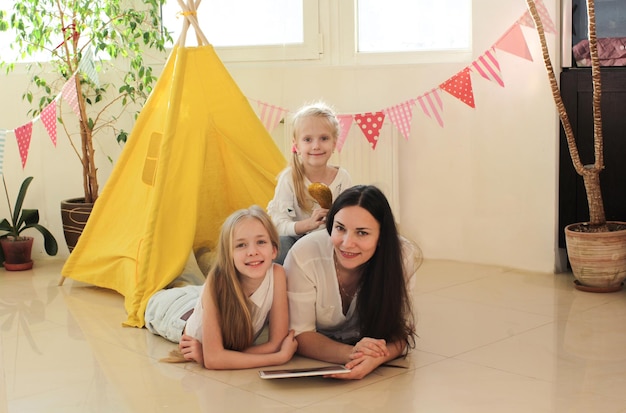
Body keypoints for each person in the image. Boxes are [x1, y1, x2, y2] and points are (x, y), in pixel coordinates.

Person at [284, 185, 420, 380]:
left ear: (381, 236)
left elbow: (401, 332)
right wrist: (354, 354)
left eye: (362, 233)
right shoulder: (304, 254)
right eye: (340, 228)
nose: (347, 243)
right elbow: (300, 334)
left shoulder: (401, 255)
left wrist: (376, 359)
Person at [145, 205, 298, 370]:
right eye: (241, 245)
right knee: (172, 277)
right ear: (228, 254)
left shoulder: (277, 274)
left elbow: (276, 343)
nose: (252, 252)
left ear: (274, 250)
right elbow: (215, 360)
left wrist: (219, 355)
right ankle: (186, 254)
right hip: (175, 312)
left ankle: (198, 259)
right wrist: (279, 357)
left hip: (198, 297)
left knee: (191, 281)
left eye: (261, 242)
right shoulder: (217, 281)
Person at [267, 101, 352, 265]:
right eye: (307, 139)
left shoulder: (342, 179)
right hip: (295, 241)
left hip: (329, 240)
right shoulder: (289, 179)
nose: (316, 146)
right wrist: (308, 225)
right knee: (280, 243)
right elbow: (278, 224)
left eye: (324, 138)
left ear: (334, 144)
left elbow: (349, 220)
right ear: (296, 145)